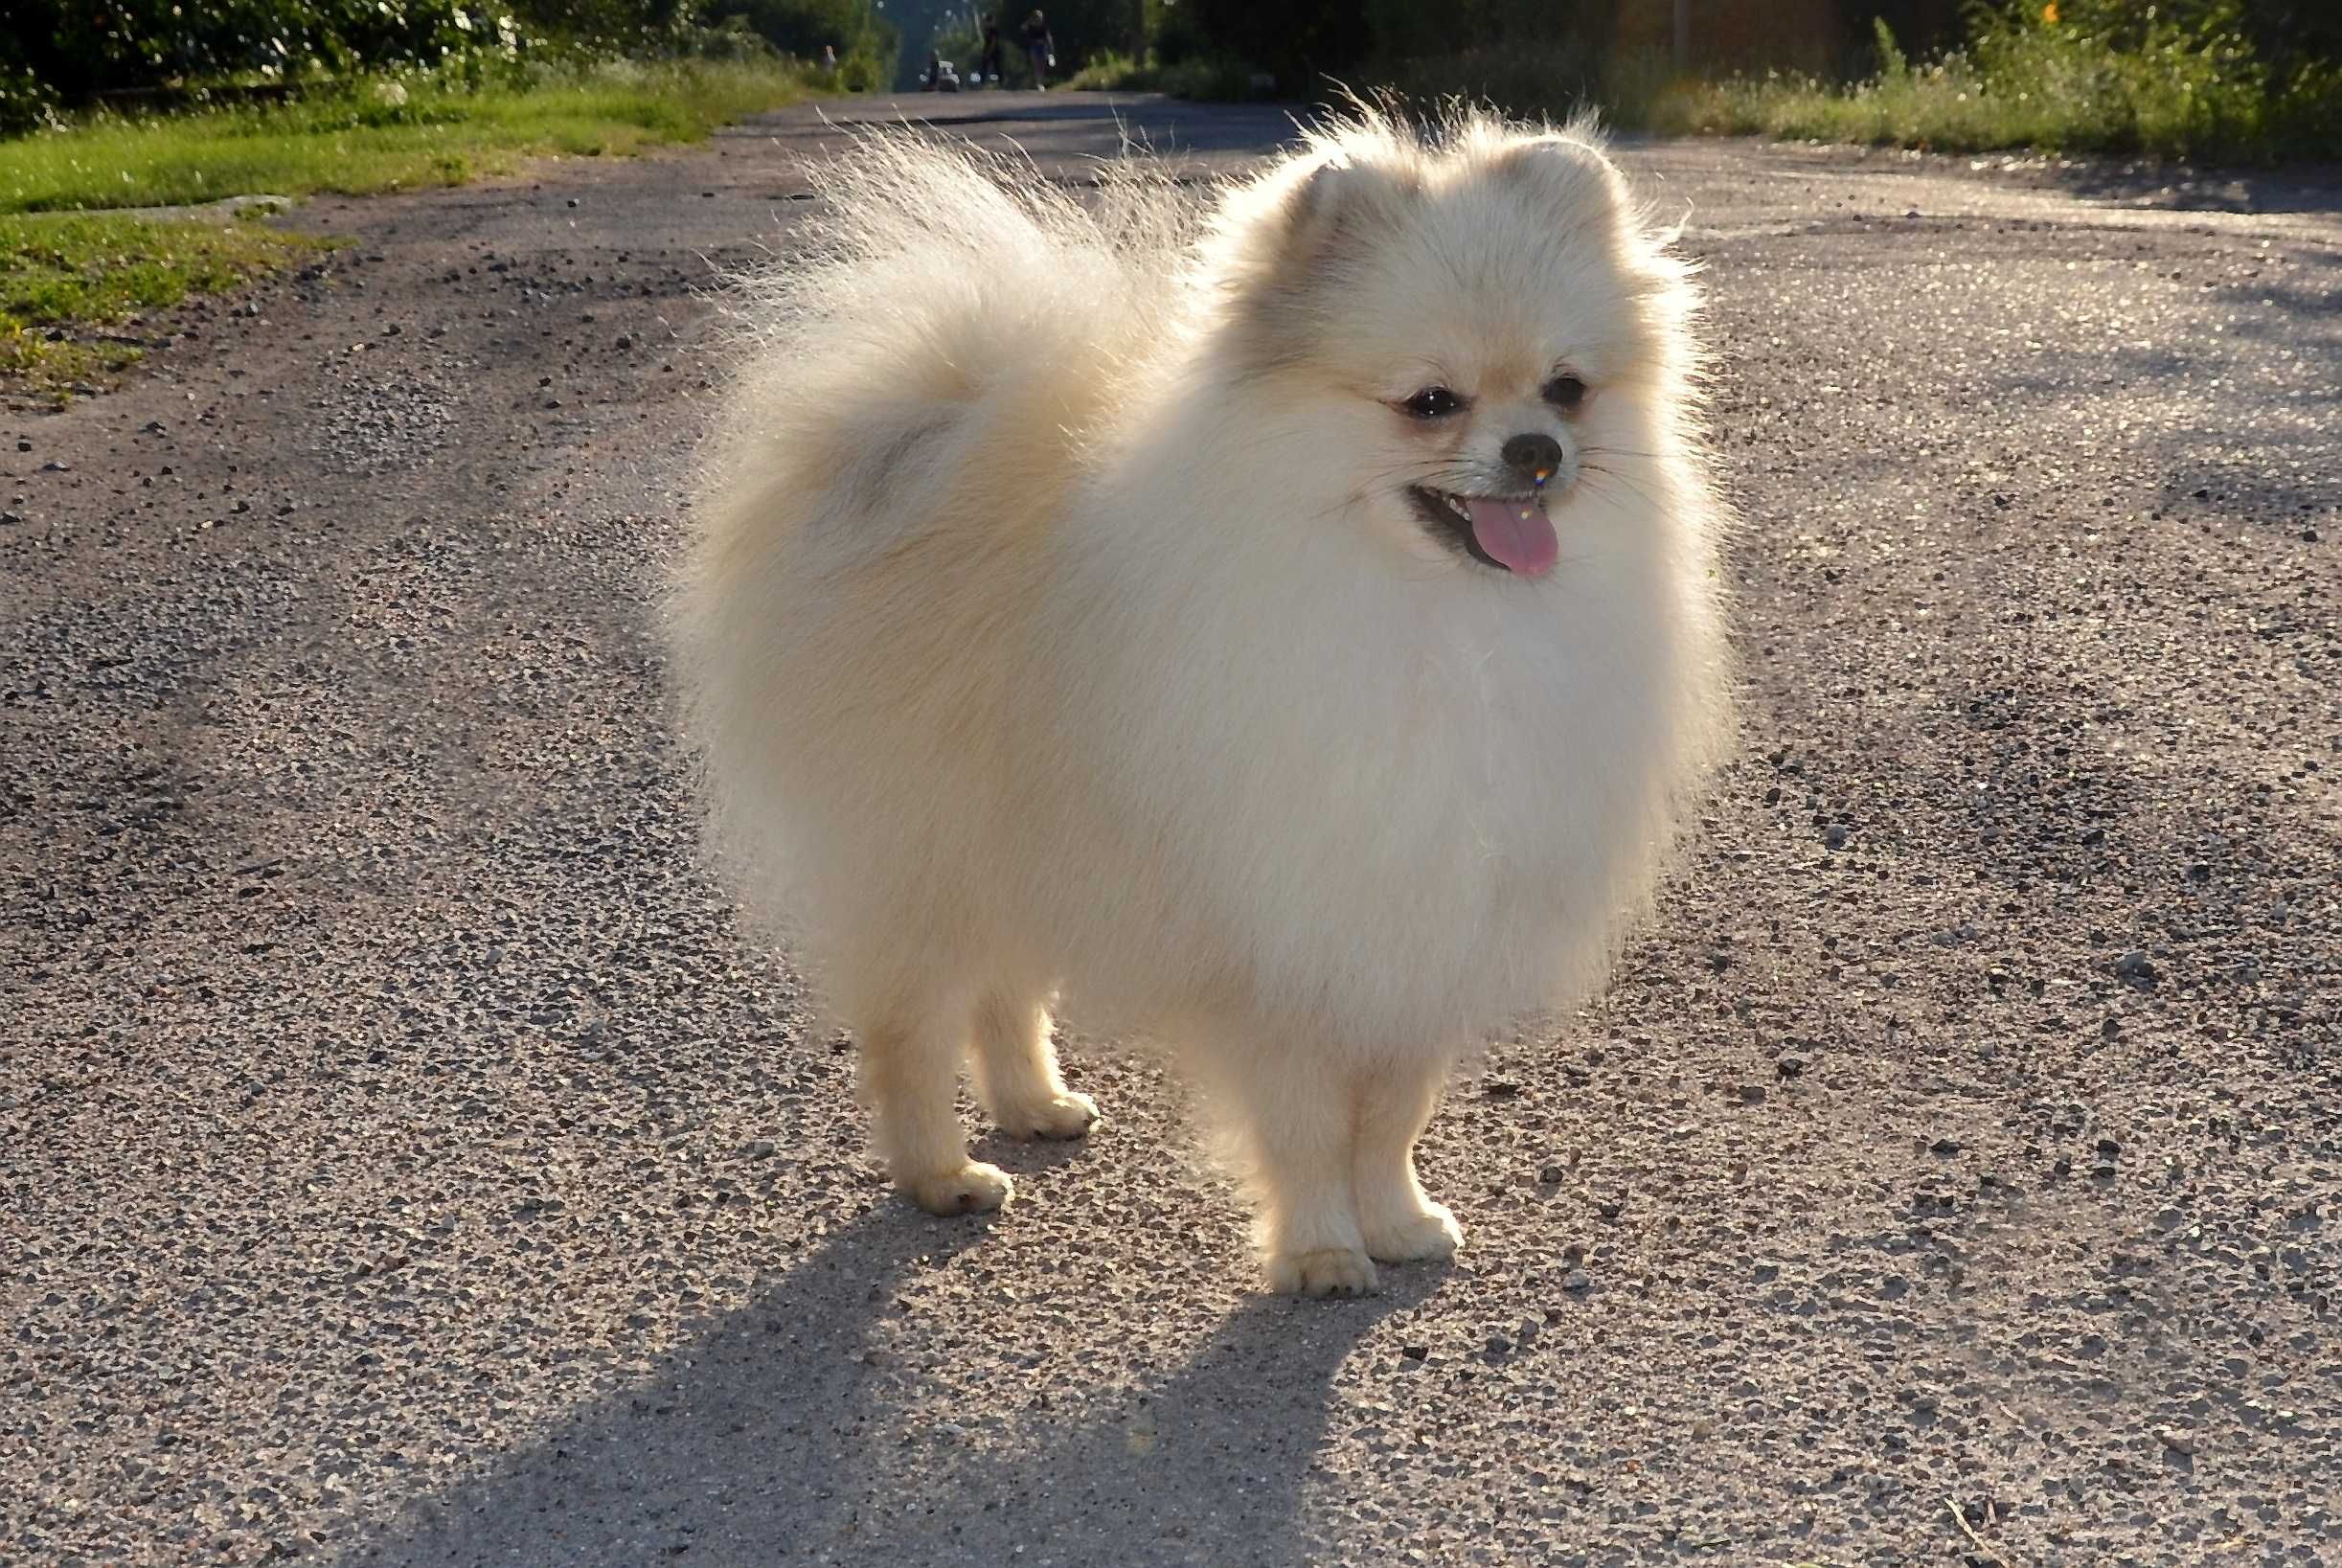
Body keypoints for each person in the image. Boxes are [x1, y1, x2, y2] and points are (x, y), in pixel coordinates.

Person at [1020, 9, 1055, 90]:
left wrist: (1051, 48)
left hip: (1043, 48)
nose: (1040, 18)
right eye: (1038, 17)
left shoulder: (1044, 26)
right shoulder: (1030, 26)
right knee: (1036, 66)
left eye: (1041, 17)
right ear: (1034, 17)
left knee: (1042, 66)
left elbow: (1048, 37)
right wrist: (1029, 21)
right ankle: (1039, 84)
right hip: (1034, 48)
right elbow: (1022, 28)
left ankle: (1041, 82)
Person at [978, 18, 1004, 87]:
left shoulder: (994, 30)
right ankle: (982, 83)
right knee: (983, 67)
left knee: (997, 68)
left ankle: (1001, 83)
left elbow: (993, 43)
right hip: (987, 50)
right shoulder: (986, 30)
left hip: (994, 51)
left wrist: (988, 53)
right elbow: (981, 27)